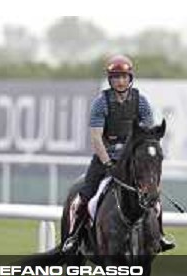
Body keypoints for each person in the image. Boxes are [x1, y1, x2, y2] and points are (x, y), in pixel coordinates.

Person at [62, 55, 175, 253]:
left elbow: (147, 134)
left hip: (131, 161)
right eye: (115, 77)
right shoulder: (101, 103)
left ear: (130, 78)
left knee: (153, 197)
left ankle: (160, 236)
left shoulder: (141, 102)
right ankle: (74, 236)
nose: (120, 81)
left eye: (124, 77)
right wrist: (107, 164)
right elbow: (96, 138)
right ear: (110, 80)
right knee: (85, 196)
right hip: (105, 158)